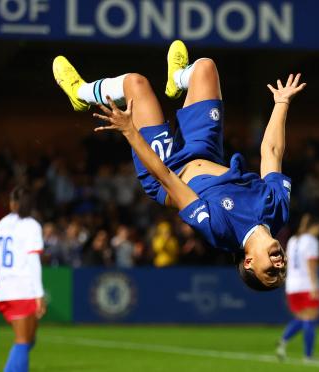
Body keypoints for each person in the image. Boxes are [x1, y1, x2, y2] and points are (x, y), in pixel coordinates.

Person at [52, 40, 305, 290]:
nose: (279, 264)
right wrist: (282, 103)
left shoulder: (220, 231)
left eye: (271, 270)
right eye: (282, 269)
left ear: (248, 262)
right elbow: (271, 152)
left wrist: (130, 131)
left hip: (166, 167)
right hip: (204, 151)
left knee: (135, 83)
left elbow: (167, 179)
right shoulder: (278, 210)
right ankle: (177, 77)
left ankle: (80, 94)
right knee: (205, 67)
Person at [0, 186, 46, 372]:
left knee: (28, 339)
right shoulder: (31, 225)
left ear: (11, 203)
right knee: (24, 341)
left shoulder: (0, 225)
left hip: (2, 289)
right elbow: (33, 260)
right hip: (21, 289)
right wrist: (39, 294)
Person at [276, 214, 319, 362]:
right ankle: (308, 356)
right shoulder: (311, 241)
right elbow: (311, 264)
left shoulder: (293, 240)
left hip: (292, 285)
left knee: (303, 318)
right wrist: (314, 285)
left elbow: (287, 262)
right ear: (314, 227)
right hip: (306, 284)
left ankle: (283, 341)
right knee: (310, 318)